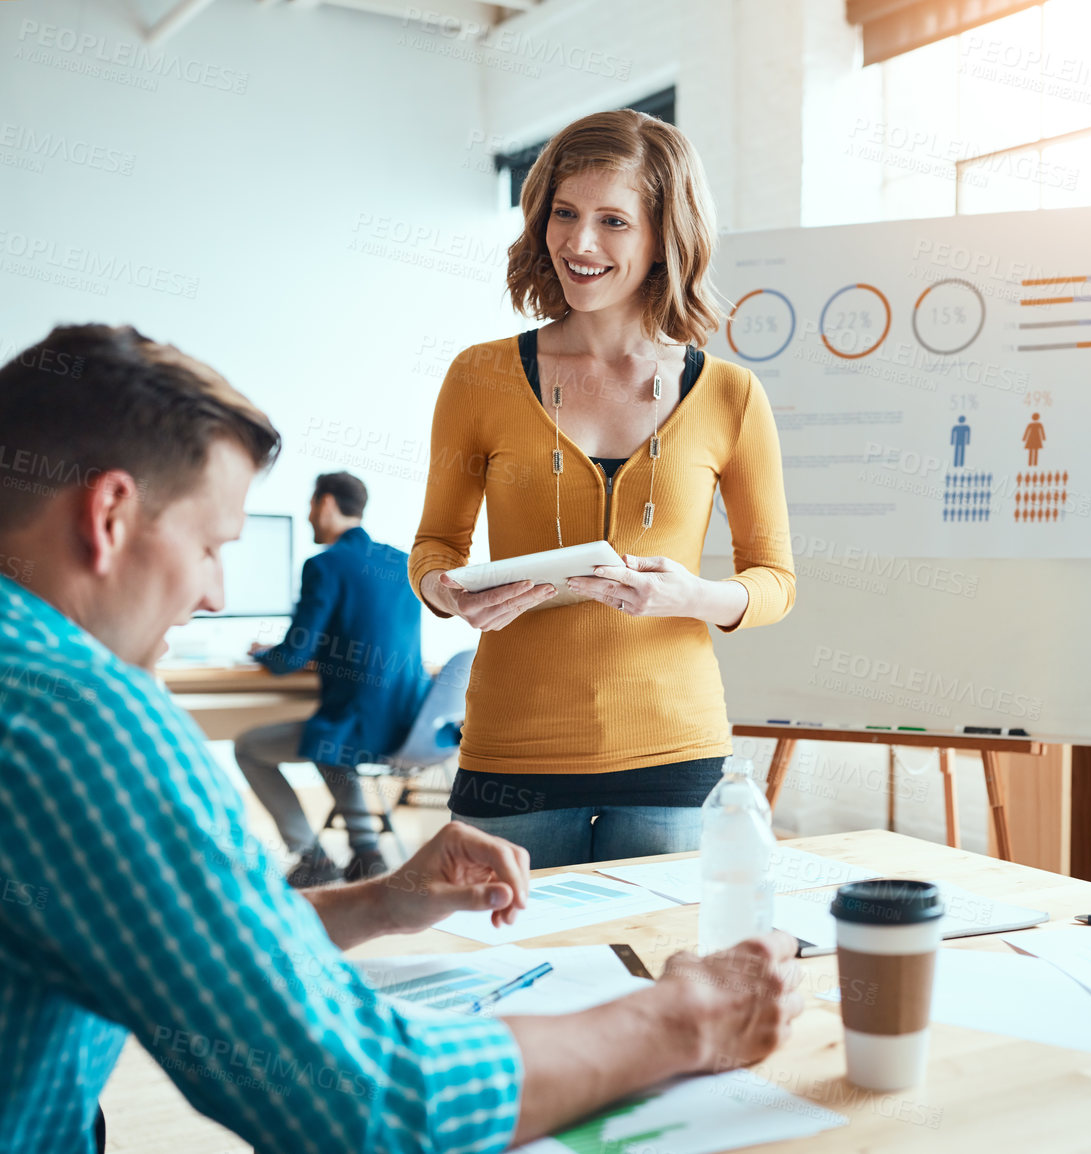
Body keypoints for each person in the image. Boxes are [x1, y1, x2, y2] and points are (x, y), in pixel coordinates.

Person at [0, 324, 803, 1154]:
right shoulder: (82, 722)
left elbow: (184, 938)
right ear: (109, 514)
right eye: (211, 548)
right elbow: (370, 1103)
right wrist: (686, 1016)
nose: (214, 592)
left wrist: (377, 901)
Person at [412, 110, 796, 867]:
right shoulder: (479, 376)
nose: (578, 244)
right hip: (511, 754)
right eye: (564, 213)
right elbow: (435, 546)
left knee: (665, 973)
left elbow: (775, 581)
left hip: (673, 756)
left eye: (613, 220)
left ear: (664, 237)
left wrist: (691, 595)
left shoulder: (730, 394)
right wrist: (447, 594)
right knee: (513, 975)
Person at [236, 471, 428, 886]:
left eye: (310, 505)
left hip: (358, 727)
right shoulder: (403, 562)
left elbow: (292, 656)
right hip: (409, 724)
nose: (307, 517)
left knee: (250, 748)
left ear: (325, 504)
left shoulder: (323, 565)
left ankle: (311, 855)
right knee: (329, 740)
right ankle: (366, 851)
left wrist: (263, 653)